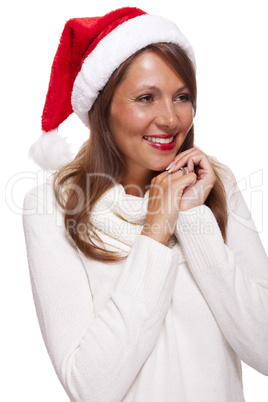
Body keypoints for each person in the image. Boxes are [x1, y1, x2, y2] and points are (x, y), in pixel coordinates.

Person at [23, 7, 268, 402]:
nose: (170, 118)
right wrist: (155, 231)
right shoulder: (52, 207)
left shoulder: (214, 185)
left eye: (182, 97)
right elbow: (90, 388)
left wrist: (193, 219)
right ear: (104, 108)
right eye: (145, 98)